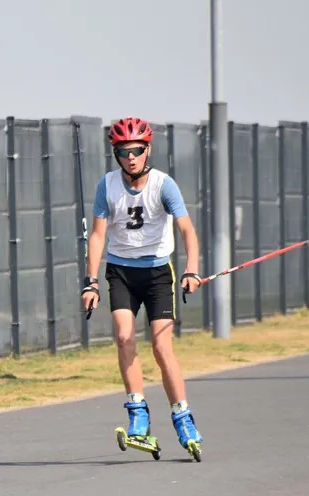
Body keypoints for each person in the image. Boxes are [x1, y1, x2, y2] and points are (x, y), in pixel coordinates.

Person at [79, 116, 204, 455]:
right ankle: (138, 415)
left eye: (136, 150)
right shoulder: (107, 185)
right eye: (123, 151)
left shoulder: (164, 185)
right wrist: (90, 282)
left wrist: (191, 270)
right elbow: (98, 235)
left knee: (163, 349)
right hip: (120, 271)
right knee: (123, 337)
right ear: (115, 153)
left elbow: (188, 232)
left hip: (158, 273)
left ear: (147, 149)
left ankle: (183, 417)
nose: (130, 157)